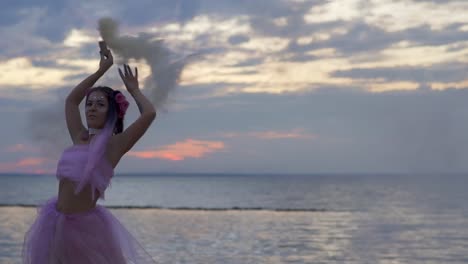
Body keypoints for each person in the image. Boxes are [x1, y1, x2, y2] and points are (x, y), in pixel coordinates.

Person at [22, 42, 157, 263]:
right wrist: (101, 70)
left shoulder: (114, 145)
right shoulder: (79, 136)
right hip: (55, 222)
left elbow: (149, 113)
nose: (92, 107)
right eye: (90, 104)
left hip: (85, 230)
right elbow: (71, 101)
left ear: (111, 112)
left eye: (100, 104)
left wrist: (134, 90)